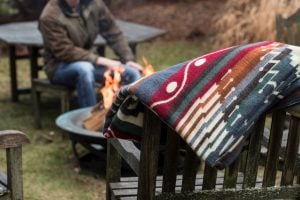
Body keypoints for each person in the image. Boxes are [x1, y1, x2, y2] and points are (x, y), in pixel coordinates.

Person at [38, 0, 143, 108]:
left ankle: (127, 118)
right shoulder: (49, 15)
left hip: (91, 61)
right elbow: (64, 51)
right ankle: (89, 117)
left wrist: (128, 58)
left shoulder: (94, 3)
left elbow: (113, 32)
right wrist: (101, 60)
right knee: (84, 69)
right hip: (59, 67)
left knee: (132, 73)